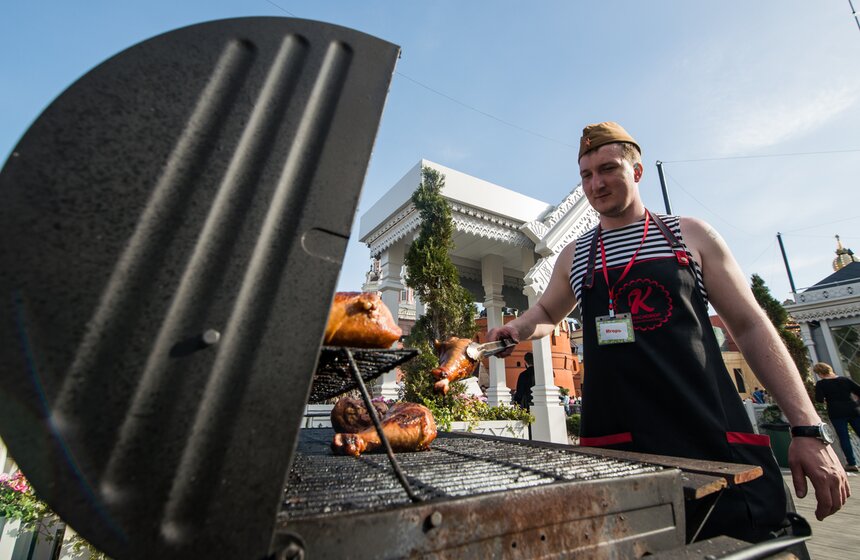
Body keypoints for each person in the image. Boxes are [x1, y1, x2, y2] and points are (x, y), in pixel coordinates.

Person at [487, 122, 848, 543]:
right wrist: (519, 327)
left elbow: (750, 326)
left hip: (709, 435)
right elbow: (549, 309)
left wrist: (806, 428)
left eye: (608, 169)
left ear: (636, 172)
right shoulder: (576, 253)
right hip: (616, 444)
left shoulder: (688, 235)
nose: (596, 184)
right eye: (586, 174)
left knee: (751, 543)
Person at [813, 362, 860, 473]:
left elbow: (819, 399)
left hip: (836, 411)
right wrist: (857, 403)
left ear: (820, 373)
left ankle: (852, 463)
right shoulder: (845, 380)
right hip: (851, 409)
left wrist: (827, 399)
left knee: (844, 438)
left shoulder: (821, 384)